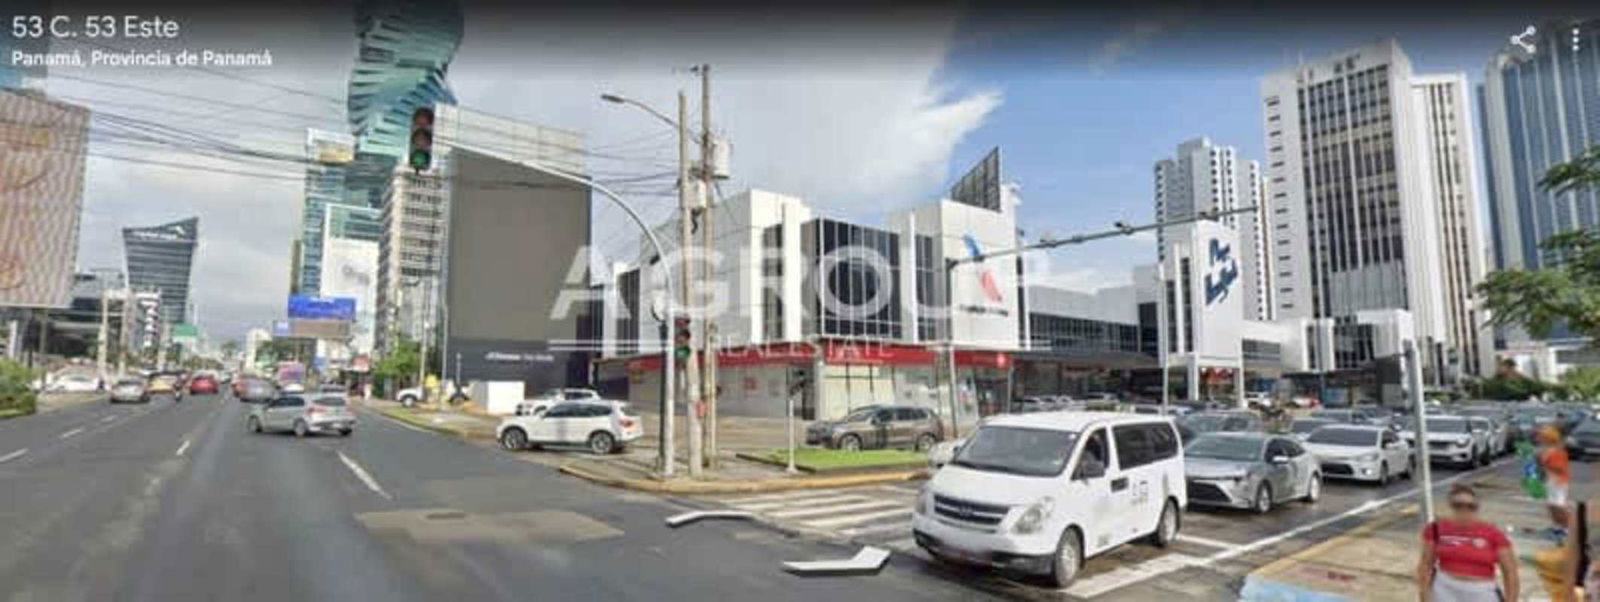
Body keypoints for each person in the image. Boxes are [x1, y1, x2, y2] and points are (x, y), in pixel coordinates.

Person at [1417, 484, 1519, 601]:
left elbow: (1510, 572)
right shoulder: (1436, 529)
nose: (1464, 510)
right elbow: (1425, 564)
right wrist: (1424, 595)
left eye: (1470, 506)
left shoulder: (1493, 534)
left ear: (1477, 508)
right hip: (1445, 589)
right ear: (1450, 506)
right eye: (1458, 505)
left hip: (1481, 591)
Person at [1539, 425, 1574, 532]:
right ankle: (1557, 525)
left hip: (1559, 481)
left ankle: (1569, 527)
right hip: (1551, 480)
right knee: (1551, 504)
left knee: (1559, 505)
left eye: (1543, 437)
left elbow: (1560, 469)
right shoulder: (1547, 451)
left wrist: (1546, 465)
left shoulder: (1558, 452)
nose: (1540, 439)